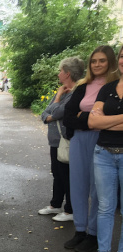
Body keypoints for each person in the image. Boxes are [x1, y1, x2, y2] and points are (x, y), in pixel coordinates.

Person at [63, 45, 119, 252]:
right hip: (79, 140)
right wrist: (94, 120)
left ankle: (93, 234)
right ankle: (80, 230)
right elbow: (68, 117)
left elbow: (108, 119)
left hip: (102, 141)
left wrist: (84, 118)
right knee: (77, 185)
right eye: (94, 61)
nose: (97, 65)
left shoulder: (114, 87)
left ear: (110, 62)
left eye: (102, 60)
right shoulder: (82, 86)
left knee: (98, 190)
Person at [83, 45, 123, 252]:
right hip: (103, 153)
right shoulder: (107, 88)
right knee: (105, 207)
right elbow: (92, 123)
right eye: (122, 56)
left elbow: (100, 120)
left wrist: (106, 119)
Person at [38, 57, 85, 222]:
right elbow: (44, 114)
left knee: (67, 176)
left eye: (61, 71)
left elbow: (57, 112)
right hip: (55, 141)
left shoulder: (76, 92)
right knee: (57, 174)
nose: (58, 74)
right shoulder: (63, 90)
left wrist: (56, 99)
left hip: (65, 140)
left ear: (68, 74)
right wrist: (53, 107)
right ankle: (55, 204)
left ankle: (70, 209)